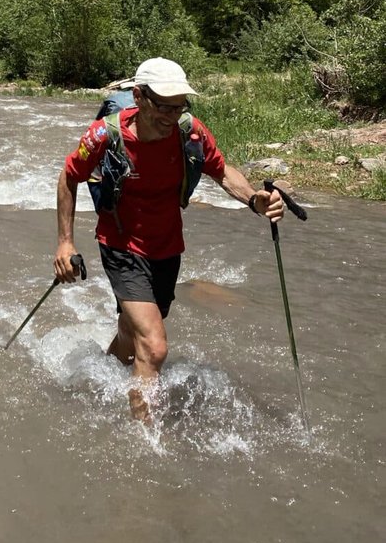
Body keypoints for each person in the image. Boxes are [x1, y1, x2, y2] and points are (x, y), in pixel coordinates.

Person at [53, 57, 284, 421]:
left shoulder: (189, 132)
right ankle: (143, 442)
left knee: (133, 338)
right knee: (155, 347)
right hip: (121, 247)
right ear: (138, 96)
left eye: (179, 106)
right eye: (163, 105)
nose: (171, 115)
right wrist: (65, 241)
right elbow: (68, 177)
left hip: (166, 249)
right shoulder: (104, 134)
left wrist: (255, 200)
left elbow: (221, 172)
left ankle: (95, 380)